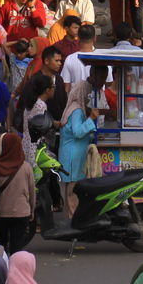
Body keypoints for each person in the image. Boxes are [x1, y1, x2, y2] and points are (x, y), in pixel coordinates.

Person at [58, 74, 101, 215]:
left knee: (74, 185)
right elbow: (77, 132)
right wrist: (91, 119)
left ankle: (72, 215)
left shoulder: (77, 108)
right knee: (73, 187)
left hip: (74, 152)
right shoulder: (76, 110)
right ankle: (74, 217)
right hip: (72, 154)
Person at [0, 133, 35, 254]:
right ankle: (16, 270)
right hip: (21, 212)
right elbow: (31, 191)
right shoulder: (26, 167)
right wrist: (32, 210)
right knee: (17, 248)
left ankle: (1, 270)